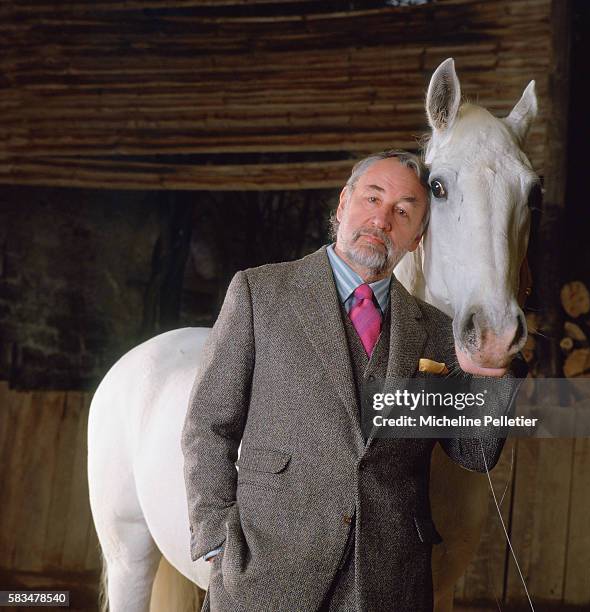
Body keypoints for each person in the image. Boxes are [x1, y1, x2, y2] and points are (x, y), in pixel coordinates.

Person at [181, 150, 523, 612]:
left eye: (403, 211)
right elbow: (208, 425)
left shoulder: (441, 334)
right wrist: (218, 537)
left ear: (418, 236)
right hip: (265, 567)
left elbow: (475, 451)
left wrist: (500, 372)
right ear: (343, 204)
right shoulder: (259, 293)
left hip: (390, 579)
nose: (382, 219)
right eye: (372, 198)